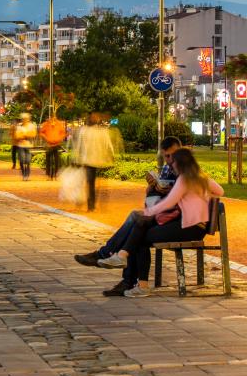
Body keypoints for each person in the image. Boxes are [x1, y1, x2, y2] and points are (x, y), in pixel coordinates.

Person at [95, 148, 223, 297]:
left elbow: (167, 203)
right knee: (141, 227)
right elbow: (220, 191)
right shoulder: (201, 177)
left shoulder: (183, 179)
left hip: (188, 228)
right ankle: (124, 260)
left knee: (140, 235)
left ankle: (134, 276)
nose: (171, 166)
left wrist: (147, 212)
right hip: (196, 228)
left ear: (180, 164)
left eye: (173, 162)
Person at [74, 136, 182, 296]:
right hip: (161, 212)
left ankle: (109, 259)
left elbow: (181, 197)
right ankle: (128, 279)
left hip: (173, 219)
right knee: (136, 223)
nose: (169, 159)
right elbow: (152, 195)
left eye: (172, 155)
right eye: (166, 156)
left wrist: (167, 192)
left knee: (136, 224)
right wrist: (152, 185)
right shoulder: (167, 168)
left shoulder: (185, 169)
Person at [72, 112, 115, 211]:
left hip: (88, 160)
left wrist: (76, 158)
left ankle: (87, 203)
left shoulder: (85, 131)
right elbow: (109, 145)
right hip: (97, 160)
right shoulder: (102, 131)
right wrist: (111, 156)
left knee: (89, 182)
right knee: (91, 182)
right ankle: (90, 205)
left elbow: (78, 146)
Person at [40, 116, 67, 180]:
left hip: (57, 145)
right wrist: (47, 139)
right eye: (52, 117)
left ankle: (56, 174)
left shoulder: (59, 124)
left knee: (56, 160)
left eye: (54, 117)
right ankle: (49, 175)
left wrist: (59, 139)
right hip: (49, 145)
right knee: (48, 161)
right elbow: (41, 132)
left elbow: (63, 133)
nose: (53, 118)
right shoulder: (46, 124)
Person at [14, 113, 38, 180]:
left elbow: (34, 134)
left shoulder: (31, 126)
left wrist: (23, 135)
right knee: (21, 161)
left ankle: (27, 175)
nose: (24, 120)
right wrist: (26, 135)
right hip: (21, 146)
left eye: (26, 119)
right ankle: (23, 174)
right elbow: (17, 136)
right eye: (23, 119)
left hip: (28, 146)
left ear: (28, 119)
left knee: (28, 161)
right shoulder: (19, 126)